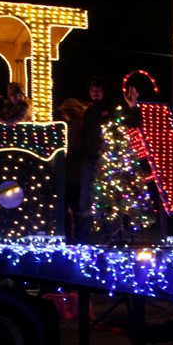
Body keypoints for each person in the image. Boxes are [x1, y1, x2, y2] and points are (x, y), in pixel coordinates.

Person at [76, 76, 139, 243]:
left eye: (98, 90)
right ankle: (84, 236)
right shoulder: (89, 111)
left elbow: (133, 122)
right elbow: (85, 135)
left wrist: (132, 107)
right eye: (92, 91)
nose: (95, 94)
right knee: (86, 200)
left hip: (109, 160)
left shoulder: (114, 105)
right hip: (90, 159)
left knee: (110, 200)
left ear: (104, 91)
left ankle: (109, 236)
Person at [54, 97, 89, 242]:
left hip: (72, 174)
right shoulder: (82, 125)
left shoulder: (75, 127)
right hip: (78, 174)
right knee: (76, 208)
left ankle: (70, 237)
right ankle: (77, 237)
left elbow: (72, 149)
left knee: (68, 207)